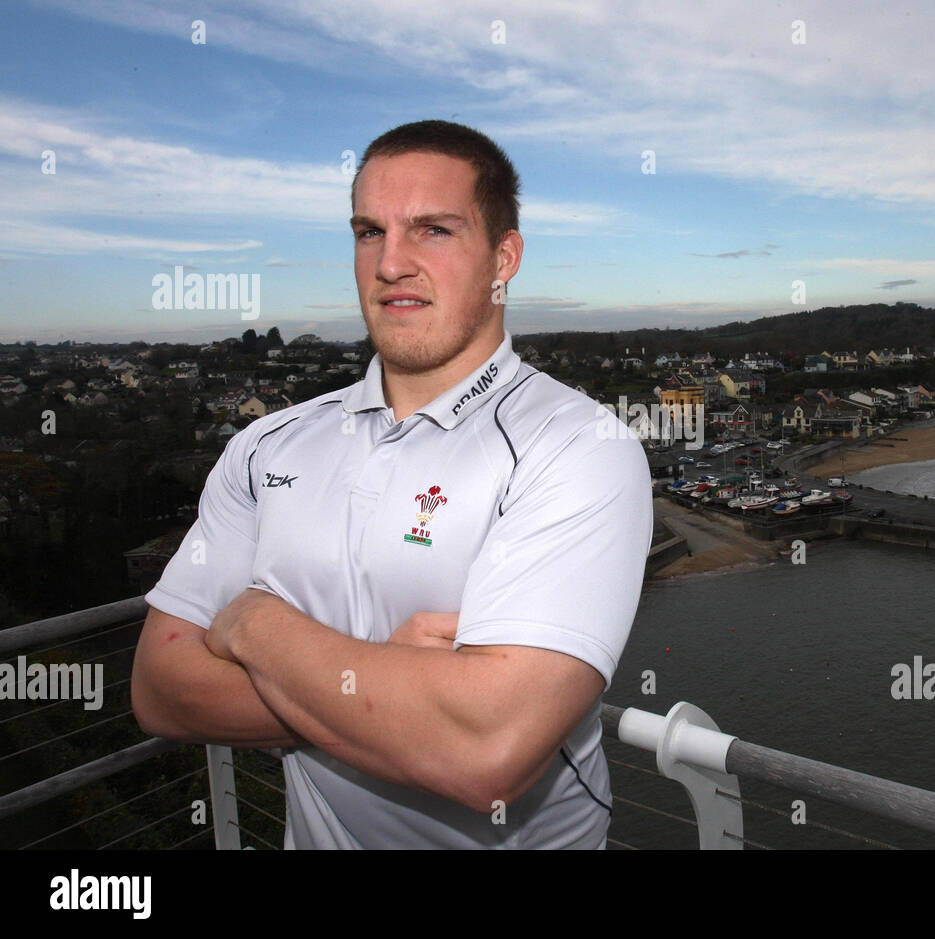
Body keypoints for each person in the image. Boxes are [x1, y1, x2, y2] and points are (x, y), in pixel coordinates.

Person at [130, 120, 654, 848]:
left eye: (433, 230)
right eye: (369, 231)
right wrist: (389, 686)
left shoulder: (575, 446)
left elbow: (486, 751)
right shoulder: (264, 446)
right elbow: (159, 688)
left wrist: (258, 625)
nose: (391, 262)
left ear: (504, 258)